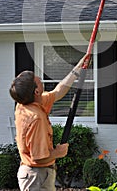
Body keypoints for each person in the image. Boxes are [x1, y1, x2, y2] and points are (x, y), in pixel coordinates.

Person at [9, 54, 89, 191]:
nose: (40, 78)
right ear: (37, 91)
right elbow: (38, 158)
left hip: (37, 175)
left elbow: (58, 92)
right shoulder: (35, 118)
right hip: (36, 177)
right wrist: (58, 153)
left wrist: (79, 67)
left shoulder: (27, 103)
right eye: (37, 79)